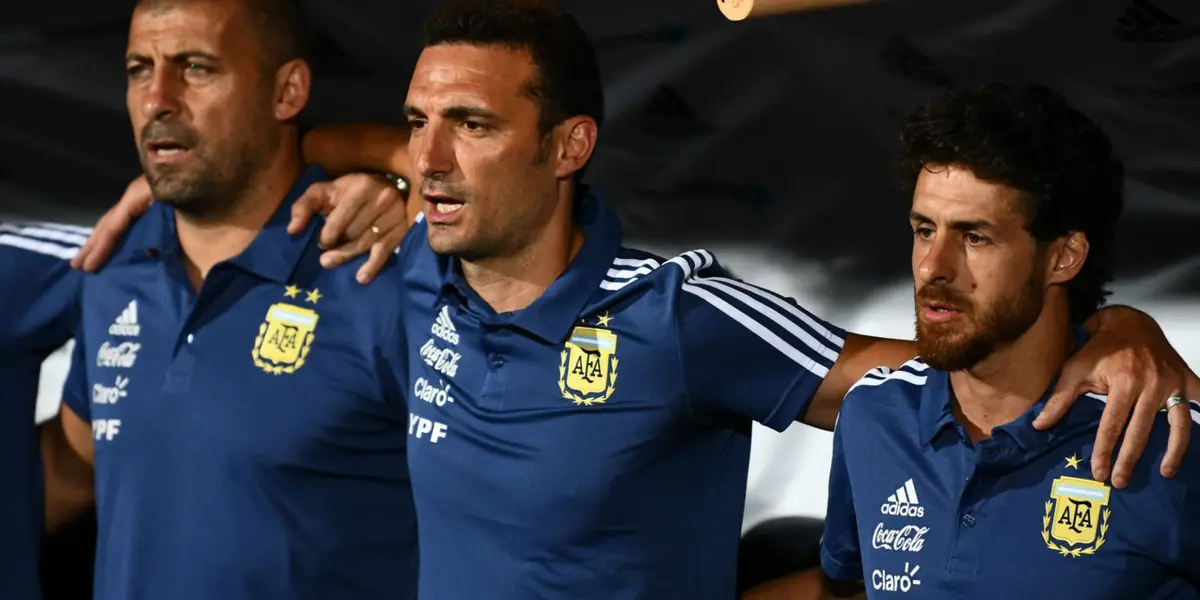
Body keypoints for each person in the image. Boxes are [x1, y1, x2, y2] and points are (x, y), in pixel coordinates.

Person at [77, 1, 1197, 598]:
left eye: (470, 126)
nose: (429, 158)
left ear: (568, 146)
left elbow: (935, 371)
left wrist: (1112, 327)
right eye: (418, 123)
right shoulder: (399, 274)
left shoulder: (678, 315)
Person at [48, 0, 419, 597]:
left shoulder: (378, 275)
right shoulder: (114, 266)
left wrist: (398, 166)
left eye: (195, 67)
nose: (156, 99)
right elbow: (76, 465)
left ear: (288, 91)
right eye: (139, 68)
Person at [815, 84, 1200, 599]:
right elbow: (844, 585)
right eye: (925, 229)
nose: (933, 267)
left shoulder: (1170, 445)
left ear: (1063, 257)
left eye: (975, 237)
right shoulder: (873, 413)